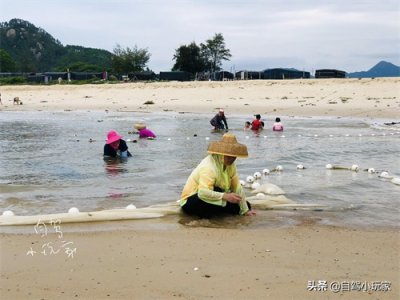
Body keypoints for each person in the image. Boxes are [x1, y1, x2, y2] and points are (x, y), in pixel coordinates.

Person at [180, 133, 256, 218]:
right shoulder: (209, 166)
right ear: (221, 153)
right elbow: (202, 193)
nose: (232, 159)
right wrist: (225, 196)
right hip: (192, 200)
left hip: (214, 197)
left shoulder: (231, 165)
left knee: (245, 205)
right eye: (229, 156)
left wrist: (245, 210)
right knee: (213, 199)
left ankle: (218, 210)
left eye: (234, 156)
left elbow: (237, 187)